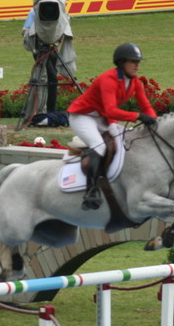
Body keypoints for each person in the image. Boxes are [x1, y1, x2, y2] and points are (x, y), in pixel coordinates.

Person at [67, 43, 158, 210]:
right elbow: (111, 110)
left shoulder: (135, 82)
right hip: (83, 116)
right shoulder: (108, 79)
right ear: (122, 63)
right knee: (100, 146)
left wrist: (155, 122)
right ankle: (91, 192)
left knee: (124, 141)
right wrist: (137, 116)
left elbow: (145, 106)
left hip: (102, 118)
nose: (137, 65)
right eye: (133, 61)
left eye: (138, 61)